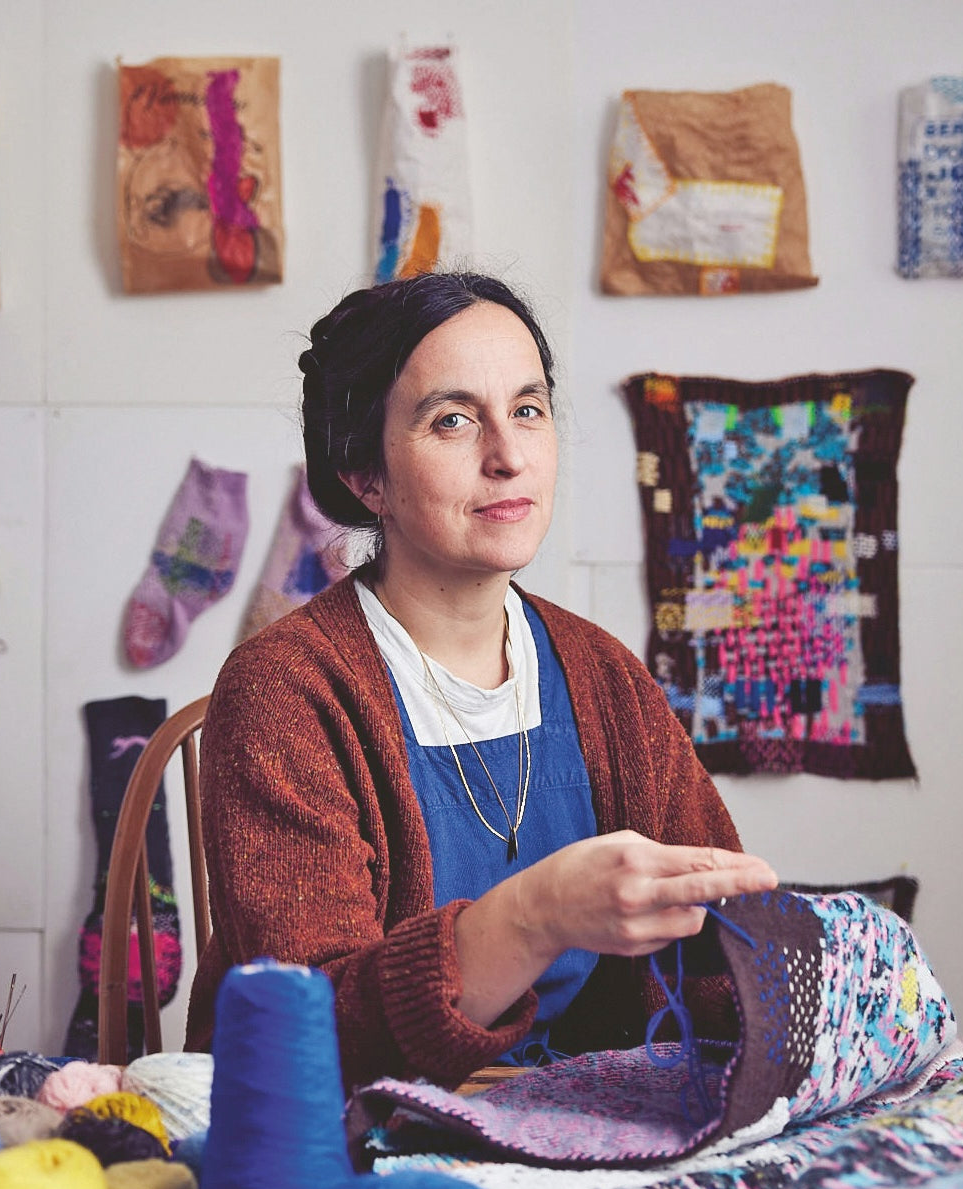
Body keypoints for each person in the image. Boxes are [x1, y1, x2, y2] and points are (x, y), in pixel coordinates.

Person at [184, 271, 777, 1089]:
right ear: (364, 474)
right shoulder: (284, 691)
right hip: (349, 1135)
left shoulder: (605, 677)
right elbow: (313, 1035)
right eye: (453, 420)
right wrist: (535, 916)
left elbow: (717, 958)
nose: (508, 456)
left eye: (527, 409)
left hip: (588, 1126)